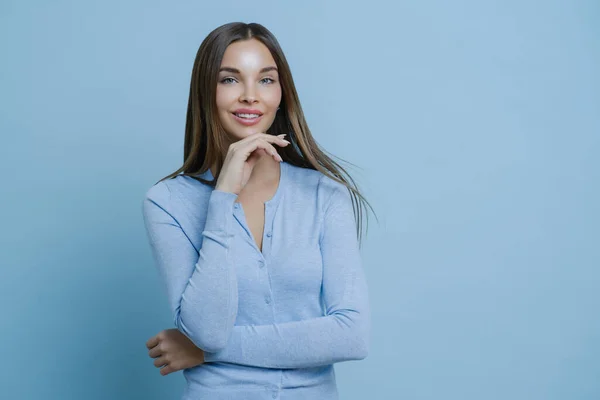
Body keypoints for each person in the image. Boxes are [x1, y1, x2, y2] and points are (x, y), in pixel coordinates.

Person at [141, 21, 376, 400]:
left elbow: (351, 335)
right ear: (206, 92)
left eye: (266, 80)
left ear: (282, 94)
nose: (250, 96)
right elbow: (208, 328)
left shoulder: (326, 195)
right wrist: (222, 199)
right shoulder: (167, 202)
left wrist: (202, 353)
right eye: (230, 80)